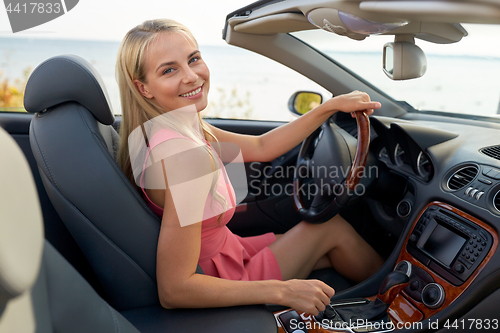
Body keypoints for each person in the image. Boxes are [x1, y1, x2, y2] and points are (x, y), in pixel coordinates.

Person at [116, 19, 384, 316]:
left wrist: (328, 107)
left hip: (230, 253)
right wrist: (284, 290)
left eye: (193, 59)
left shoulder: (175, 129)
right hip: (218, 278)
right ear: (144, 87)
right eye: (169, 70)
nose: (192, 76)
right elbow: (175, 289)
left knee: (328, 233)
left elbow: (261, 148)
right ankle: (402, 301)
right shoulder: (185, 158)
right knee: (331, 230)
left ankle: (394, 297)